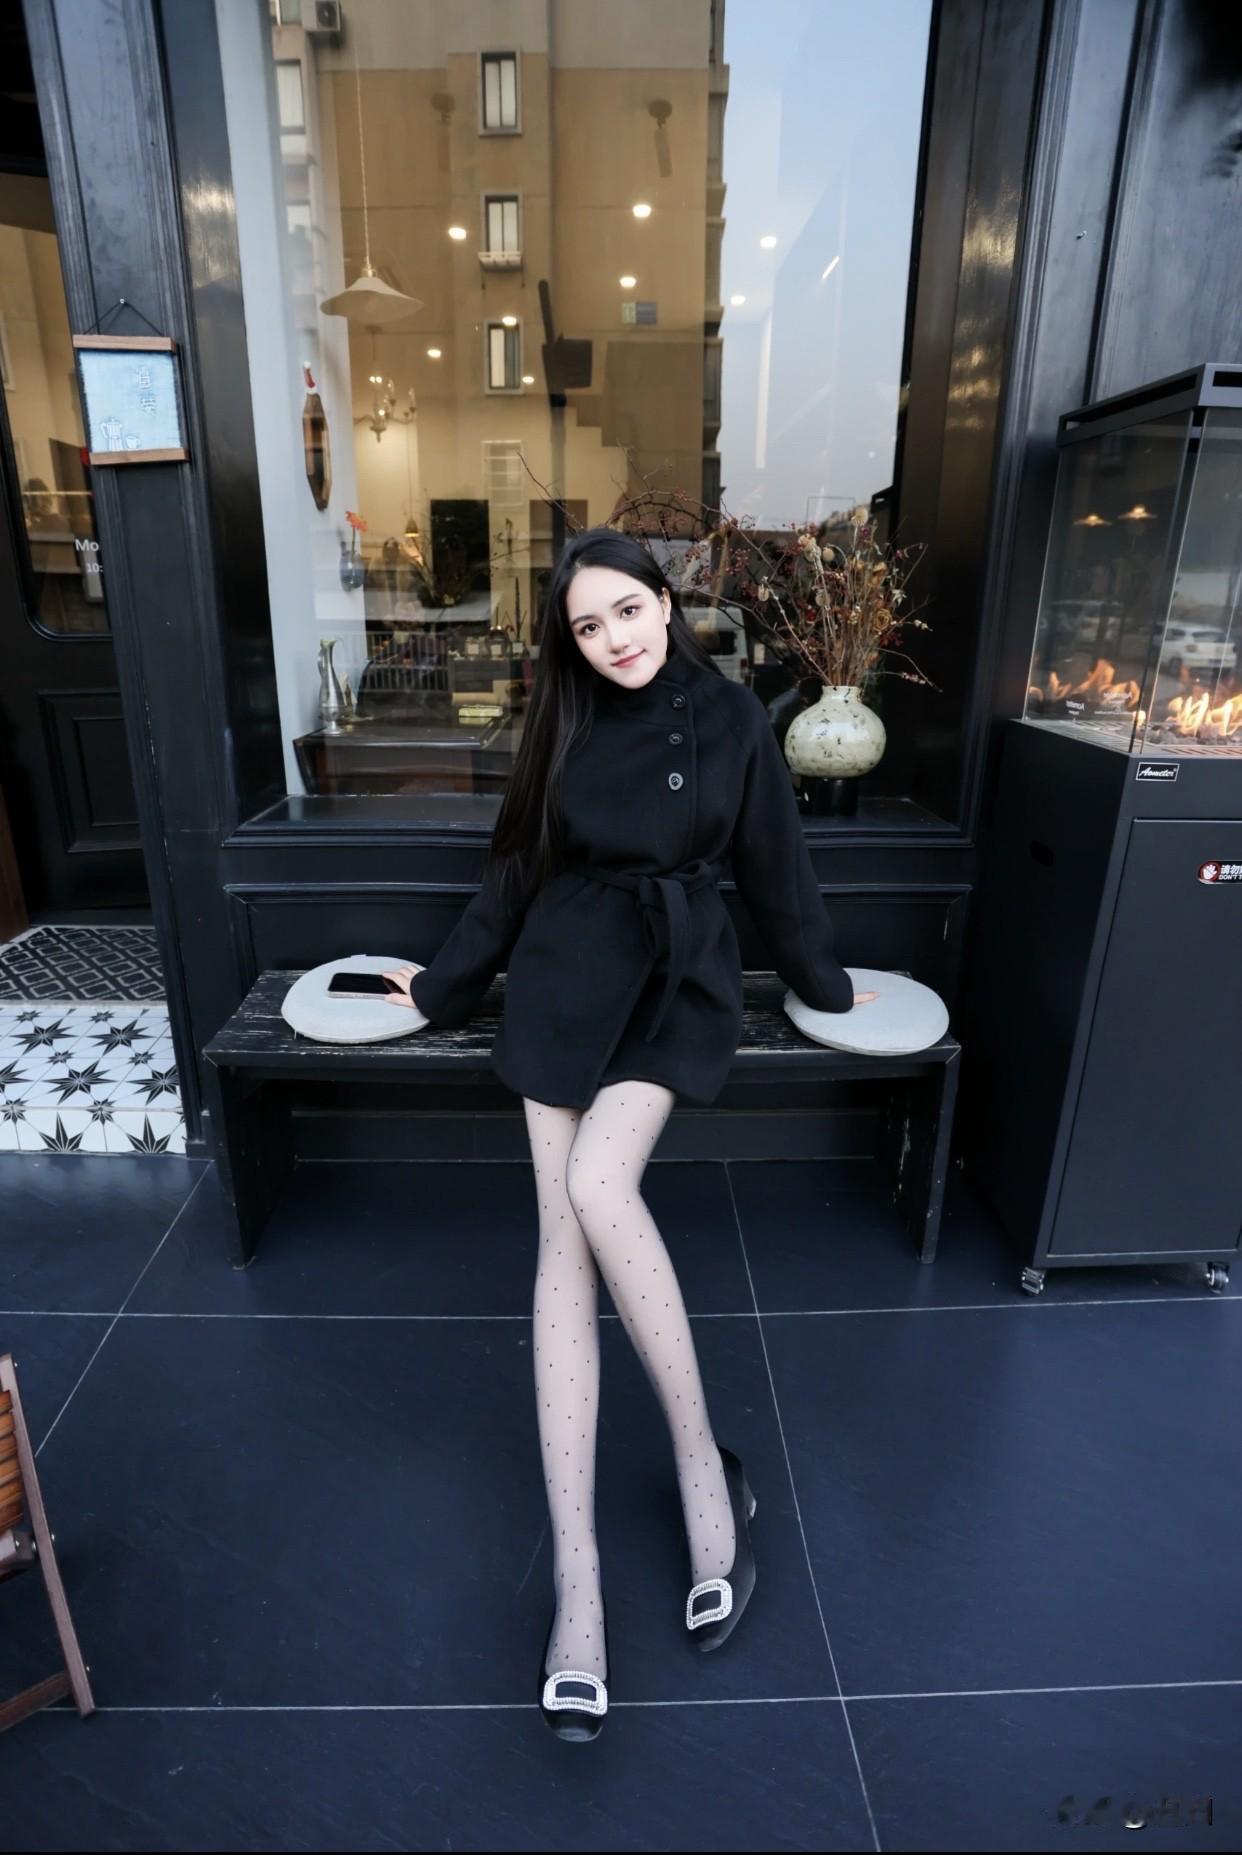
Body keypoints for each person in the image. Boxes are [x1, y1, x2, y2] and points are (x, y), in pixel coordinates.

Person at [381, 527, 878, 1740]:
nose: (613, 639)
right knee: (561, 1244)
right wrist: (440, 988)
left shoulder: (736, 717)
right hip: (563, 977)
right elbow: (513, 871)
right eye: (587, 625)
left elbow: (779, 867)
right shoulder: (561, 721)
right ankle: (580, 1584)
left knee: (600, 1186)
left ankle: (705, 1470)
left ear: (666, 600)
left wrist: (823, 981)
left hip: (675, 979)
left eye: (627, 610)